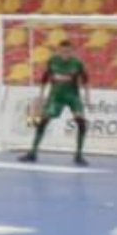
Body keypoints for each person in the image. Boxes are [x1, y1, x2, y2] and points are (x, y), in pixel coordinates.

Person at [16, 34, 93, 166]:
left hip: (73, 97)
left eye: (68, 51)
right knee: (43, 121)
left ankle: (79, 155)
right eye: (62, 51)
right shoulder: (52, 61)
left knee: (81, 122)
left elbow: (86, 81)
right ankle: (33, 153)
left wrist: (87, 98)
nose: (65, 54)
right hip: (56, 97)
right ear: (58, 51)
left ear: (72, 51)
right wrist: (40, 96)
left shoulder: (77, 64)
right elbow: (44, 79)